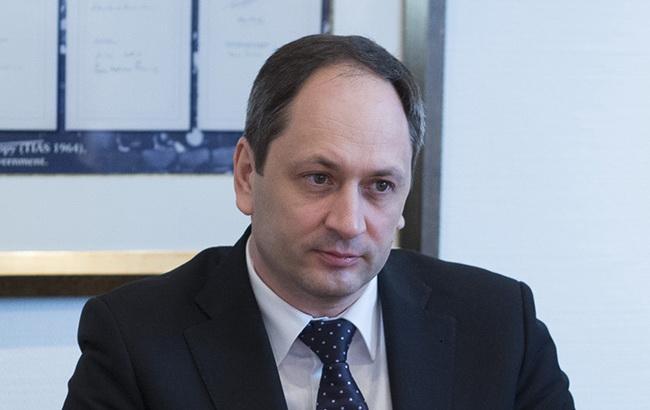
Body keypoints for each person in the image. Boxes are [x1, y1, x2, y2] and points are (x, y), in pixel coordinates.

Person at [64, 35, 574, 409]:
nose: (349, 223)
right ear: (246, 175)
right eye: (318, 179)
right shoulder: (136, 340)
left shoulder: (500, 327)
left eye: (380, 186)